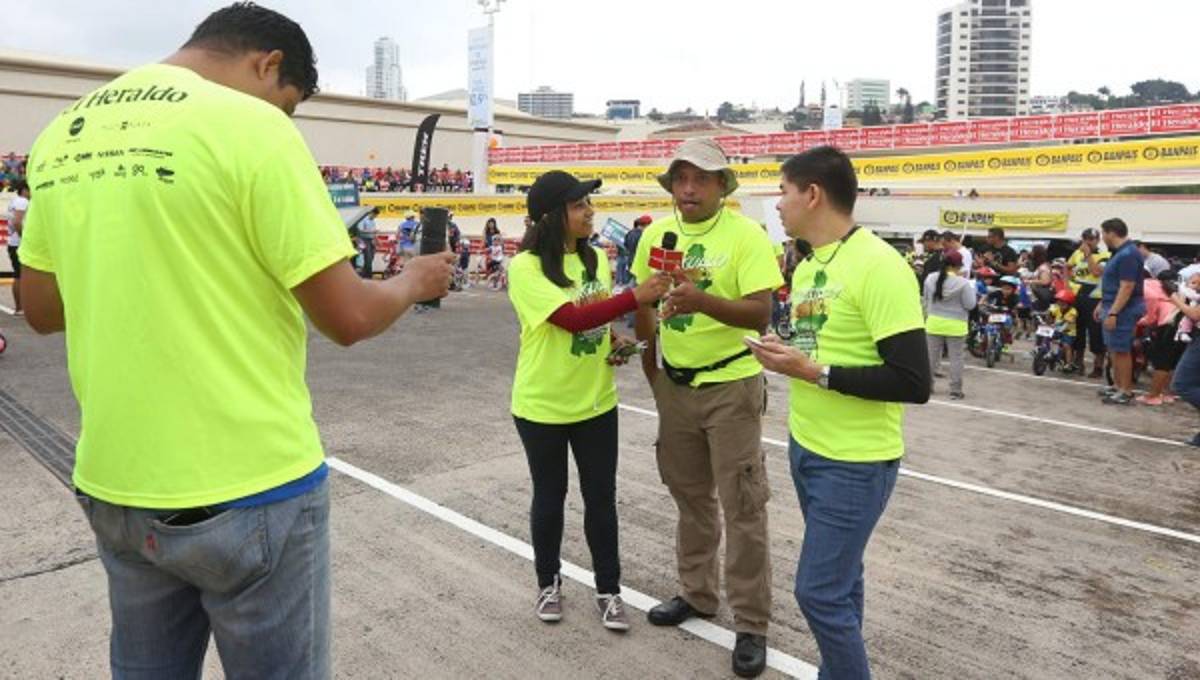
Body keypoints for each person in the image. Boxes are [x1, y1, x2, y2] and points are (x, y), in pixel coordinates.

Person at [17, 5, 455, 677]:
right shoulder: (251, 127)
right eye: (288, 104)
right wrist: (414, 281)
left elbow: (40, 310)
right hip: (250, 486)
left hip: (118, 484)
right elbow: (349, 318)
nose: (285, 119)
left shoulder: (66, 131)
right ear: (268, 64)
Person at [746, 146, 930, 680]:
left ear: (812, 194)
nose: (776, 203)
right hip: (808, 448)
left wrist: (813, 371)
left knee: (818, 593)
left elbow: (913, 381)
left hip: (855, 462)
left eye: (782, 191)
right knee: (843, 584)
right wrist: (787, 353)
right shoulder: (807, 266)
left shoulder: (880, 266)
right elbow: (820, 349)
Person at [630, 137, 783, 678]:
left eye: (701, 179)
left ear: (723, 186)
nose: (689, 189)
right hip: (675, 387)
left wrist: (702, 301)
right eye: (680, 179)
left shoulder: (746, 236)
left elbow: (761, 313)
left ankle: (751, 623)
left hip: (731, 386)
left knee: (743, 505)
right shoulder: (655, 234)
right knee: (690, 498)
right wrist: (651, 364)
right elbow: (644, 305)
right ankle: (697, 595)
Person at [507, 170, 670, 632]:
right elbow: (571, 319)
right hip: (541, 406)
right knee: (550, 496)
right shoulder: (526, 268)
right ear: (552, 215)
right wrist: (633, 298)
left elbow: (593, 323)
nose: (589, 212)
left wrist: (615, 342)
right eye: (580, 205)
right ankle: (547, 582)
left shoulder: (596, 258)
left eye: (589, 205)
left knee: (601, 498)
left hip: (596, 402)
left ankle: (609, 590)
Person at [1096, 218, 1146, 405]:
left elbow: (1127, 286)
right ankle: (1117, 386)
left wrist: (1114, 312)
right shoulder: (1120, 253)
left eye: (1103, 233)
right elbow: (1114, 283)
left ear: (1111, 233)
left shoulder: (1128, 254)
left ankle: (1126, 390)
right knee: (1114, 348)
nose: (1102, 237)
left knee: (1122, 349)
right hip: (1112, 303)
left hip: (1124, 308)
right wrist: (1103, 304)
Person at [924, 249, 976, 400]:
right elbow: (970, 305)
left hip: (934, 323)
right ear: (958, 266)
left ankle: (928, 387)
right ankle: (955, 390)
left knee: (931, 357)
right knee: (956, 359)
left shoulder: (930, 279)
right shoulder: (963, 283)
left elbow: (926, 299)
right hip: (956, 325)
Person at [1068, 228, 1110, 377]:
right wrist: (1068, 284)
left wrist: (1088, 255)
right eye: (1085, 238)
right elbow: (1068, 267)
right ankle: (1078, 363)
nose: (1088, 242)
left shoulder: (1105, 255)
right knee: (1076, 330)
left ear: (1098, 240)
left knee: (1096, 333)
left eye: (1091, 239)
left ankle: (1098, 366)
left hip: (1095, 299)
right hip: (1078, 296)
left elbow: (1096, 272)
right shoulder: (1076, 254)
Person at [1136, 270, 1183, 405]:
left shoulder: (1145, 285)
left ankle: (1154, 396)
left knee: (1162, 361)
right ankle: (1166, 393)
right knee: (1170, 361)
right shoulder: (1162, 285)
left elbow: (1151, 313)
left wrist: (1139, 321)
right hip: (1179, 320)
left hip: (1169, 322)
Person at [5, 179, 28, 315]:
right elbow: (18, 222)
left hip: (13, 243)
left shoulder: (15, 201)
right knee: (21, 275)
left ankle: (19, 307)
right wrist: (24, 238)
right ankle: (20, 308)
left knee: (18, 275)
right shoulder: (22, 201)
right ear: (24, 190)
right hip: (19, 243)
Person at [1051, 289, 1079, 372]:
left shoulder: (1073, 311)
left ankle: (1068, 364)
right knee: (1051, 339)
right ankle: (1051, 355)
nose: (1060, 304)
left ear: (1069, 303)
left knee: (1066, 345)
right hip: (1057, 329)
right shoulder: (1056, 308)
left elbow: (1069, 320)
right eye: (1059, 301)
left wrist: (1061, 323)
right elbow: (1049, 314)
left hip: (1069, 332)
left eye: (1063, 302)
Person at [622, 214, 651, 286]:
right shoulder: (643, 235)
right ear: (646, 225)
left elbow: (625, 245)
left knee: (633, 280)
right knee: (637, 282)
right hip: (638, 262)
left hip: (630, 259)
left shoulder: (630, 233)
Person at [356, 206, 379, 278]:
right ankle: (368, 276)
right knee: (368, 258)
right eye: (374, 215)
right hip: (364, 240)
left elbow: (374, 232)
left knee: (371, 258)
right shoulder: (363, 220)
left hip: (371, 240)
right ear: (371, 213)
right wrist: (372, 231)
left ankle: (365, 274)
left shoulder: (373, 221)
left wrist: (376, 239)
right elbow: (361, 230)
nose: (375, 217)